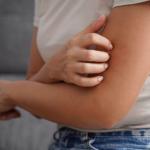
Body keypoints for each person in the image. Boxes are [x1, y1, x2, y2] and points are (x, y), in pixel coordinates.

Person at [0, 0, 150, 149]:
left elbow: (104, 110)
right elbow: (35, 102)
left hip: (131, 140)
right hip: (63, 140)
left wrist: (8, 92)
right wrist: (51, 70)